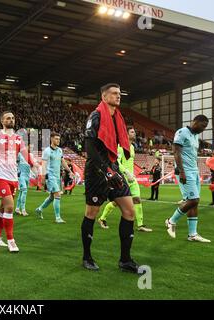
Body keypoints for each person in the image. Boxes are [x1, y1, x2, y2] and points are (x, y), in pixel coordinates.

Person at [81, 83, 139, 272]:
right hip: (97, 171)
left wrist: (113, 170)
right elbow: (90, 148)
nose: (118, 96)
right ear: (104, 97)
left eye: (119, 94)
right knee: (91, 213)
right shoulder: (96, 115)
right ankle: (87, 257)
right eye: (114, 93)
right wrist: (107, 171)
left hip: (113, 168)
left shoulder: (118, 118)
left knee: (130, 212)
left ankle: (125, 260)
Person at [0, 111, 33, 253]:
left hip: (13, 178)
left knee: (3, 209)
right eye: (8, 118)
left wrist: (36, 166)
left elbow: (25, 155)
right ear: (2, 121)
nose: (11, 120)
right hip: (0, 177)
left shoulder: (18, 138)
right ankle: (11, 241)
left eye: (13, 118)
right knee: (10, 207)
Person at [98, 126, 152, 232]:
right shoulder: (120, 147)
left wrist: (133, 173)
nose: (134, 133)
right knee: (117, 202)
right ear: (126, 134)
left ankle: (140, 225)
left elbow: (130, 163)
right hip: (122, 177)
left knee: (137, 199)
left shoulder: (131, 147)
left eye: (134, 132)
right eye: (132, 132)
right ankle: (102, 218)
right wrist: (126, 172)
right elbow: (116, 162)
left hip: (131, 178)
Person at [165, 115, 210, 242]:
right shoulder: (182, 132)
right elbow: (176, 152)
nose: (203, 129)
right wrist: (181, 171)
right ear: (195, 122)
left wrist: (196, 171)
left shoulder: (195, 136)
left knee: (194, 203)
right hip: (185, 171)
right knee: (193, 200)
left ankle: (192, 234)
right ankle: (171, 221)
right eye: (202, 126)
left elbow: (192, 154)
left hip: (194, 172)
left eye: (205, 127)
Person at [35, 133, 73, 223]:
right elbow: (43, 164)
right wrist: (43, 177)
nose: (58, 141)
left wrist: (70, 171)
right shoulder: (47, 151)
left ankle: (39, 209)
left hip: (57, 176)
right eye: (56, 139)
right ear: (51, 139)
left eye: (59, 139)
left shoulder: (60, 150)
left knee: (52, 197)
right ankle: (58, 218)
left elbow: (63, 162)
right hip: (50, 176)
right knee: (57, 195)